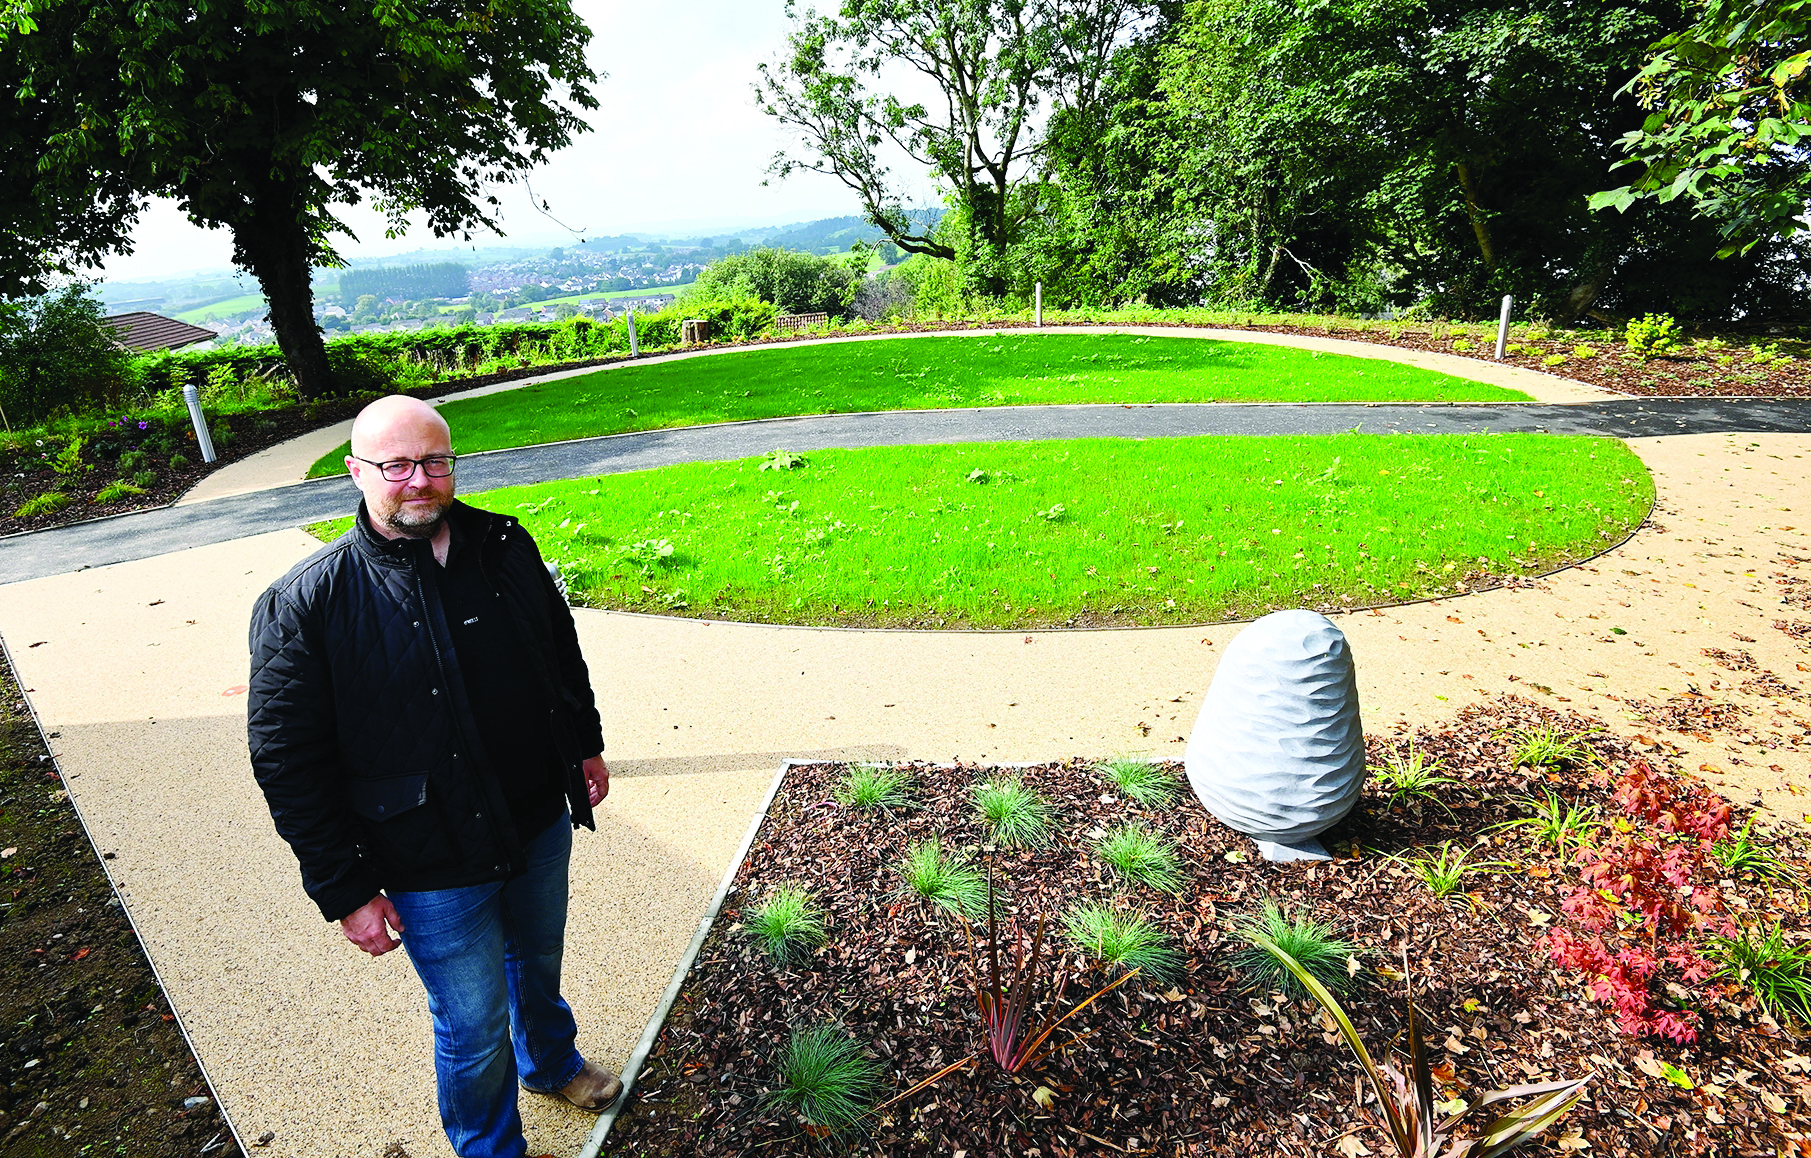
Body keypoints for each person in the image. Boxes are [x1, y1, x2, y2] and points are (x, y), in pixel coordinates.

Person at [247, 394, 619, 1158]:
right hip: (427, 854)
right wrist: (344, 887)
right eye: (396, 465)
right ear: (356, 472)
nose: (419, 479)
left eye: (435, 461)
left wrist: (582, 743)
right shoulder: (306, 601)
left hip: (535, 818)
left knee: (537, 961)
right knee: (472, 1023)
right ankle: (489, 1149)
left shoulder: (503, 544)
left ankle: (549, 1062)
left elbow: (558, 651)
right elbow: (286, 759)